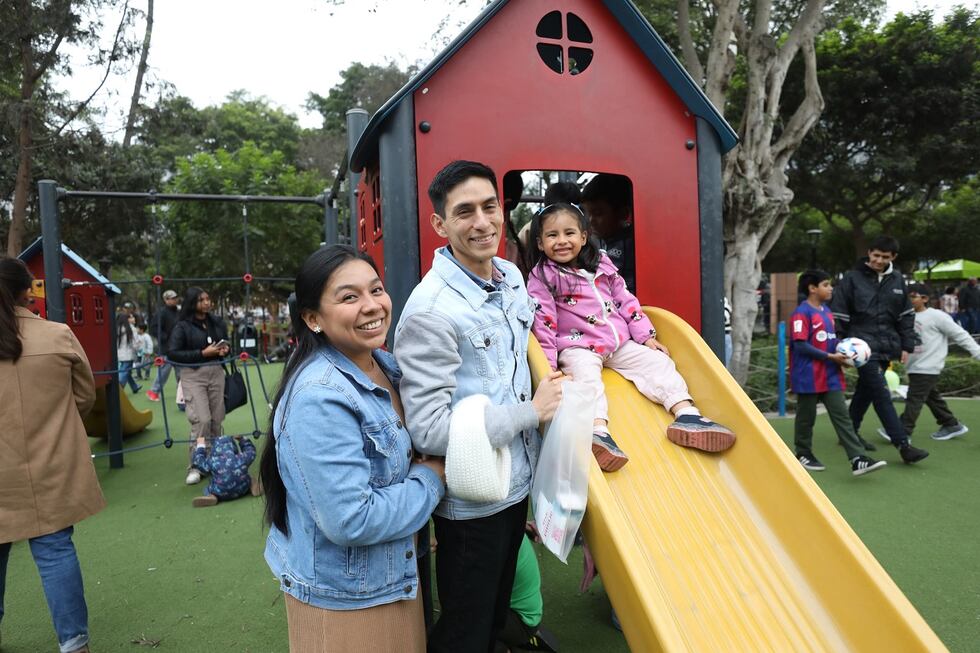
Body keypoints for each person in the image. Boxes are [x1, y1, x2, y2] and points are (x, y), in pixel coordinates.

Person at [394, 160, 565, 652]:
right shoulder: (431, 311)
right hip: (471, 502)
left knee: (491, 620)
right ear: (440, 225)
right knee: (465, 631)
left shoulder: (511, 277)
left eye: (490, 206)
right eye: (464, 212)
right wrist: (532, 413)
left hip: (516, 485)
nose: (482, 222)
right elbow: (427, 430)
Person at [259, 245, 445, 652]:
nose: (371, 306)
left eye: (376, 290)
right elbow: (351, 520)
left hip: (390, 579)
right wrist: (431, 481)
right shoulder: (320, 397)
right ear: (313, 319)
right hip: (347, 598)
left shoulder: (384, 364)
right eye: (349, 297)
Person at [526, 202, 735, 472]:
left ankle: (686, 414)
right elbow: (543, 321)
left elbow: (624, 298)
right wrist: (549, 365)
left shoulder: (601, 263)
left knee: (657, 363)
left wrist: (646, 335)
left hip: (618, 342)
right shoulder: (543, 276)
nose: (562, 241)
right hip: (578, 346)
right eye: (552, 235)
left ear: (583, 237)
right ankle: (598, 433)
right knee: (585, 380)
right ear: (541, 243)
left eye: (569, 233)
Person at [0, 257, 104, 653]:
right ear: (28, 292)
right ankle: (74, 643)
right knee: (55, 549)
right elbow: (84, 395)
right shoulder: (58, 335)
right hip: (48, 463)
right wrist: (52, 427)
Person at [829, 235, 929, 464]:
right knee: (881, 394)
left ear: (893, 257)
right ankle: (903, 445)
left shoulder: (897, 280)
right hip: (860, 348)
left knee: (866, 392)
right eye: (875, 255)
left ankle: (849, 433)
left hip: (887, 346)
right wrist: (840, 344)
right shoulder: (852, 278)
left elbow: (905, 315)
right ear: (869, 253)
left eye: (884, 257)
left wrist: (907, 344)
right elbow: (839, 312)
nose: (878, 260)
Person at [789, 270, 887, 476]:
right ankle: (803, 452)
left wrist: (845, 357)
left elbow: (832, 343)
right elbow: (800, 345)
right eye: (826, 284)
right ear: (812, 288)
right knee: (806, 417)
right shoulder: (802, 313)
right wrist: (830, 357)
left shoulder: (826, 311)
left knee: (842, 417)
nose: (831, 288)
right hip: (808, 375)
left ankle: (857, 458)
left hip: (831, 374)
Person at [878, 284, 980, 443]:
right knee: (931, 397)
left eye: (912, 296)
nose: (907, 299)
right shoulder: (903, 316)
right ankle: (951, 424)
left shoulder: (937, 316)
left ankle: (902, 431)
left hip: (928, 366)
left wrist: (977, 352)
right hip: (914, 365)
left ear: (924, 299)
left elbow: (961, 335)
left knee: (914, 398)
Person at [168, 287, 230, 485]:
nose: (206, 302)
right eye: (201, 299)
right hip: (193, 374)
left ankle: (215, 459)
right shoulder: (183, 326)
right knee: (201, 420)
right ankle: (197, 464)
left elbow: (225, 346)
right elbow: (173, 353)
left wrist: (224, 350)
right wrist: (202, 354)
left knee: (216, 419)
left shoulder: (215, 322)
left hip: (216, 372)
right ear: (192, 302)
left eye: (208, 299)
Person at [580, 173, 636, 293]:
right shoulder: (594, 240)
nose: (591, 220)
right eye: (587, 213)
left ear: (622, 213)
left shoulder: (633, 244)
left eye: (598, 213)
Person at [189, 435, 260, 508]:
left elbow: (198, 461)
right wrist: (243, 439)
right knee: (248, 478)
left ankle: (212, 496)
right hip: (243, 489)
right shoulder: (240, 457)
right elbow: (251, 451)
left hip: (221, 493)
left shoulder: (213, 461)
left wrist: (200, 445)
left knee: (208, 488)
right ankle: (253, 487)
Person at [147, 289, 180, 401]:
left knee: (181, 371)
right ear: (166, 300)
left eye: (175, 298)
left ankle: (182, 393)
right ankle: (154, 391)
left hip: (179, 347)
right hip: (167, 347)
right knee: (164, 371)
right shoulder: (161, 313)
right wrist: (166, 338)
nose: (175, 300)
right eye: (172, 298)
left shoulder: (178, 312)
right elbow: (153, 328)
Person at [115, 312, 142, 394]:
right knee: (125, 372)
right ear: (126, 319)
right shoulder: (131, 328)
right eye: (130, 317)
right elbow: (135, 343)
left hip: (120, 353)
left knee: (126, 371)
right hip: (129, 354)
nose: (133, 318)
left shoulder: (117, 328)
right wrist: (139, 347)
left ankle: (134, 386)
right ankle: (119, 389)